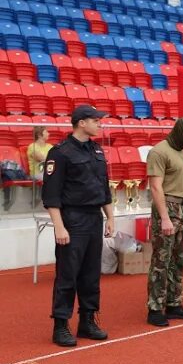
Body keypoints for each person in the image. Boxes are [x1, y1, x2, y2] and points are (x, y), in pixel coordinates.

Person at [43, 105, 114, 347]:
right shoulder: (60, 153)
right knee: (67, 274)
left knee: (91, 274)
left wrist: (111, 217)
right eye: (96, 120)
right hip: (72, 219)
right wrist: (59, 227)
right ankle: (61, 324)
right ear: (81, 123)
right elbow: (51, 195)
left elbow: (104, 187)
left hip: (94, 217)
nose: (100, 124)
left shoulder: (97, 150)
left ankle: (87, 320)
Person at [145, 117, 183, 327]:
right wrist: (165, 217)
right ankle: (155, 307)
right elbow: (155, 187)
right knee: (161, 260)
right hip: (167, 205)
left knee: (180, 259)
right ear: (179, 132)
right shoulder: (159, 152)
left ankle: (174, 303)